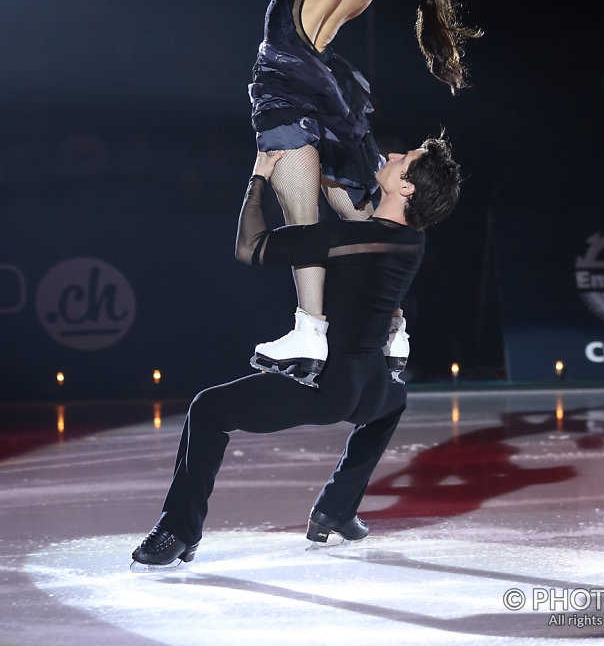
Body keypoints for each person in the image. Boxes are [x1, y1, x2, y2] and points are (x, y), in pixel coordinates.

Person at [131, 135, 461, 567]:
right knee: (395, 402)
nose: (395, 155)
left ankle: (178, 530)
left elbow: (249, 247)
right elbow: (358, 211)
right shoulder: (413, 243)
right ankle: (336, 509)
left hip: (331, 389)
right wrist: (329, 165)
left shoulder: (349, 240)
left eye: (404, 160)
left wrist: (259, 176)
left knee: (207, 411)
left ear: (407, 188)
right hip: (374, 388)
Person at [249, 0, 478, 385]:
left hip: (286, 83)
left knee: (303, 219)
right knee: (358, 212)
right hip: (327, 88)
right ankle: (394, 327)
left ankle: (310, 332)